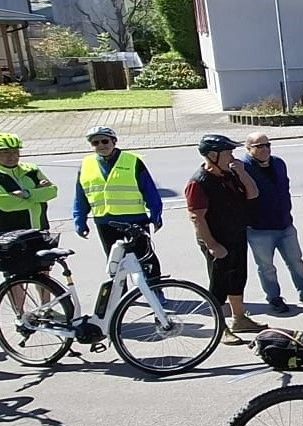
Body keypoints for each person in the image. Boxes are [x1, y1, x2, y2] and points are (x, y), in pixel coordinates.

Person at [184, 134, 264, 344]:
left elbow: (253, 194)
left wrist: (242, 173)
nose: (232, 157)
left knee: (238, 278)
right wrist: (212, 245)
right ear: (213, 155)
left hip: (236, 234)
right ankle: (220, 328)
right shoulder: (198, 182)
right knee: (219, 284)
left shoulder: (231, 174)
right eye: (228, 153)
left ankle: (240, 319)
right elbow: (197, 217)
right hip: (216, 239)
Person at [241, 131, 303, 314]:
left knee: (296, 262)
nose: (265, 149)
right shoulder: (242, 168)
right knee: (266, 268)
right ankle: (274, 298)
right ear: (248, 148)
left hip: (285, 225)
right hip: (259, 229)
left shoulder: (278, 163)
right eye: (259, 146)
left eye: (267, 145)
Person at [73, 125, 163, 271]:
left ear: (114, 141)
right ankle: (119, 287)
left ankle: (155, 285)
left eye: (105, 141)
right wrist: (79, 221)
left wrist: (156, 215)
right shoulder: (86, 165)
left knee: (146, 259)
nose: (101, 145)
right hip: (105, 222)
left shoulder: (132, 161)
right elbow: (80, 197)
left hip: (135, 220)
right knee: (114, 264)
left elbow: (149, 190)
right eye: (95, 143)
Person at [0, 133, 57, 232]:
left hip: (40, 229)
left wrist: (27, 194)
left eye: (15, 151)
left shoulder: (31, 169)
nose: (12, 156)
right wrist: (38, 195)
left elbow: (52, 191)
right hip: (9, 234)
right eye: (6, 152)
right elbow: (6, 204)